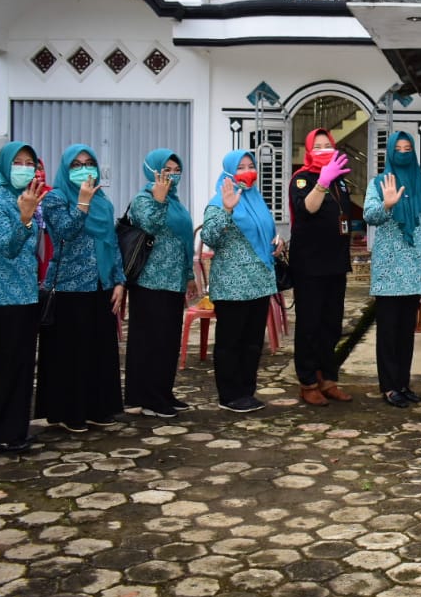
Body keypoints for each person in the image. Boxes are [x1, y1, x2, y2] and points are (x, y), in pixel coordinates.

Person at [37, 144, 126, 433]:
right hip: (68, 288)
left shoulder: (103, 201)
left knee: (99, 351)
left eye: (88, 163)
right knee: (70, 355)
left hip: (100, 285)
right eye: (76, 164)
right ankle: (69, 411)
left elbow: (112, 243)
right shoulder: (55, 198)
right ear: (65, 169)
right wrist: (82, 204)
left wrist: (119, 281)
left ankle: (98, 408)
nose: (83, 169)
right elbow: (64, 232)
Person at [0, 142, 48, 452]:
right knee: (5, 368)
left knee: (22, 367)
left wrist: (27, 212)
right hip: (2, 298)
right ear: (5, 166)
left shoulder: (24, 199)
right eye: (17, 162)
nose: (24, 167)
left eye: (29, 162)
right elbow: (7, 246)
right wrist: (25, 217)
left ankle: (16, 431)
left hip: (25, 294)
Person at [202, 150, 281, 413]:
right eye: (241, 167)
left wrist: (278, 242)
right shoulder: (217, 202)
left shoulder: (257, 200)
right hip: (232, 286)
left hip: (259, 283)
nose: (247, 171)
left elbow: (266, 232)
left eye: (251, 166)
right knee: (230, 343)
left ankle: (247, 392)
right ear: (228, 173)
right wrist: (227, 209)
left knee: (252, 342)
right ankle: (230, 395)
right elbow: (211, 237)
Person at [124, 149, 196, 418]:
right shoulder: (143, 200)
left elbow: (185, 241)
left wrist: (189, 275)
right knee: (149, 341)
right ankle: (147, 397)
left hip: (174, 281)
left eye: (176, 170)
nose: (172, 175)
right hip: (150, 282)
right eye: (166, 170)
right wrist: (158, 199)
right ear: (152, 171)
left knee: (168, 341)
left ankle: (164, 392)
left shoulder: (177, 203)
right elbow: (150, 225)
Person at [365, 131, 421, 408]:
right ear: (390, 153)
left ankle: (403, 383)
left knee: (406, 333)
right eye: (399, 149)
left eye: (408, 148)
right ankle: (389, 387)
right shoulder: (379, 183)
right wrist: (387, 204)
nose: (403, 153)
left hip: (414, 270)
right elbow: (370, 215)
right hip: (389, 271)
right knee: (388, 332)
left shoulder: (420, 184)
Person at [289, 129, 354, 406]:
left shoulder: (340, 180)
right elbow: (308, 209)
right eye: (318, 146)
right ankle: (307, 382)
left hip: (335, 263)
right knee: (309, 325)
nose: (324, 149)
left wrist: (332, 179)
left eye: (328, 145)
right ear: (308, 149)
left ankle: (328, 378)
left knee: (331, 325)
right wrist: (322, 183)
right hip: (310, 265)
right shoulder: (301, 179)